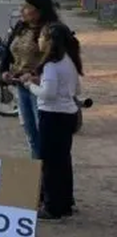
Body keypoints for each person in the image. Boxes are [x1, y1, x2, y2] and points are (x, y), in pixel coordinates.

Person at [22, 23, 82, 220]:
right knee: (62, 161)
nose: (38, 40)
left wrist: (30, 85)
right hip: (67, 115)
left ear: (50, 42)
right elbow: (71, 89)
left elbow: (48, 94)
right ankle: (64, 203)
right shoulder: (69, 61)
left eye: (41, 37)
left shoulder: (51, 65)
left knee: (50, 163)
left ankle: (52, 206)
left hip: (53, 116)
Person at [0, 0, 59, 159]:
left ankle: (48, 174)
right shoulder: (21, 27)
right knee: (30, 132)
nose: (22, 11)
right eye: (21, 7)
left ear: (39, 10)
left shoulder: (50, 31)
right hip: (21, 86)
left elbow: (55, 59)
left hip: (41, 87)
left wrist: (35, 76)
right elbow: (8, 51)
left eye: (26, 7)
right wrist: (4, 70)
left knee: (45, 134)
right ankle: (36, 175)